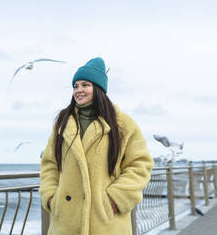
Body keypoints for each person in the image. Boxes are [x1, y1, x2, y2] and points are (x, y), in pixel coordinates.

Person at [39, 57, 153, 235]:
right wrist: (52, 198)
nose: (79, 90)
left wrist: (115, 199)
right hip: (66, 223)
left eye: (85, 85)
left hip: (106, 222)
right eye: (75, 86)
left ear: (98, 88)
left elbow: (140, 165)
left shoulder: (122, 124)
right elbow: (49, 164)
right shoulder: (63, 123)